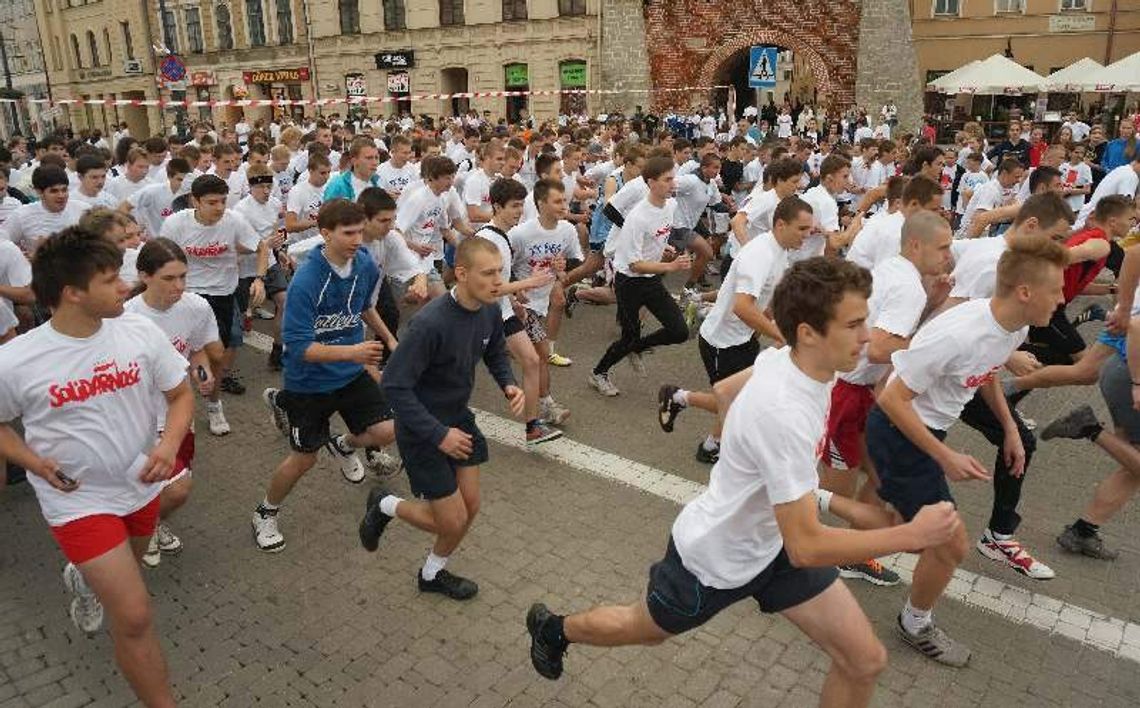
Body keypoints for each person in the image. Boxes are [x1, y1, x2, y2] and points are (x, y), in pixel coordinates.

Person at [525, 256, 962, 707]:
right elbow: (807, 547)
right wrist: (910, 534)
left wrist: (762, 472)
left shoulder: (787, 360)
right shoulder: (784, 410)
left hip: (774, 548)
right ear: (809, 332)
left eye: (865, 320)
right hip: (714, 562)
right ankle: (556, 628)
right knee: (645, 629)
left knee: (864, 660)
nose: (868, 335)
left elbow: (726, 392)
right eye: (853, 324)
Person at [0, 227, 193, 706]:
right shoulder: (15, 360)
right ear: (73, 293)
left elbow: (181, 394)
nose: (125, 286)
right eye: (110, 280)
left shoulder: (139, 331)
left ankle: (83, 577)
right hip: (78, 499)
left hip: (141, 487)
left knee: (130, 563)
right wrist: (35, 464)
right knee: (133, 616)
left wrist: (168, 446)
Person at [869, 233, 1068, 666]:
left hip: (926, 433)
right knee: (950, 543)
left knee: (902, 522)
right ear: (1025, 291)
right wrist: (945, 457)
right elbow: (889, 398)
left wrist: (1010, 428)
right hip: (897, 432)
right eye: (1056, 289)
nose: (1063, 297)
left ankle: (817, 524)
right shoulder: (959, 333)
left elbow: (988, 370)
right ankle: (915, 622)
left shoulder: (1012, 328)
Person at [359, 236, 526, 599]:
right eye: (488, 273)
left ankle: (432, 574)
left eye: (500, 271)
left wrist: (508, 385)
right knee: (452, 520)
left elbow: (496, 351)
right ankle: (385, 505)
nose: (498, 281)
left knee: (470, 508)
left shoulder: (490, 308)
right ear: (462, 274)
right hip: (422, 430)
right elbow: (394, 387)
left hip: (458, 419)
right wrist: (438, 435)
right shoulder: (429, 324)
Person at [253, 199, 399, 553]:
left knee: (388, 430)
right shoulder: (307, 280)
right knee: (304, 458)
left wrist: (393, 341)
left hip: (350, 373)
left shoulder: (363, 263)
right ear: (325, 234)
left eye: (360, 232)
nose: (356, 239)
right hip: (310, 383)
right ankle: (265, 512)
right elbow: (298, 346)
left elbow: (363, 307)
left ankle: (344, 444)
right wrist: (355, 353)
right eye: (348, 233)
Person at [822, 211, 954, 587]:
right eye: (942, 247)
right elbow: (880, 348)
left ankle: (855, 553)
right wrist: (935, 350)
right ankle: (788, 535)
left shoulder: (896, 271)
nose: (948, 255)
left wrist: (931, 305)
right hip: (847, 391)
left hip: (864, 391)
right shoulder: (908, 286)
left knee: (881, 478)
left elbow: (885, 331)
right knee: (835, 487)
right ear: (915, 244)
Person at [681, 196, 812, 464]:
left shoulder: (780, 252)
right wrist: (782, 336)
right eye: (802, 229)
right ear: (780, 225)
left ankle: (709, 441)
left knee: (743, 399)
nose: (807, 235)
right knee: (737, 401)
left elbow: (767, 300)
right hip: (721, 342)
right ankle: (686, 407)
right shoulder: (759, 254)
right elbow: (742, 307)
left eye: (810, 229)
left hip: (743, 337)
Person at [124, 239, 220, 568]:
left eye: (183, 277)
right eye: (169, 278)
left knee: (168, 486)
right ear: (144, 276)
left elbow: (195, 350)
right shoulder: (125, 318)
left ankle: (149, 522)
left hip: (179, 413)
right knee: (178, 488)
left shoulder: (195, 307)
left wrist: (203, 371)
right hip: (140, 420)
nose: (179, 287)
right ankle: (143, 528)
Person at [159, 175, 269, 434]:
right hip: (187, 296)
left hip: (223, 295)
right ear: (194, 201)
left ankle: (214, 404)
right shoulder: (176, 224)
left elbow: (261, 247)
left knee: (217, 358)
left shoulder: (234, 220)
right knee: (179, 357)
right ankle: (180, 410)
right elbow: (161, 256)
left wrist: (260, 280)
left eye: (223, 201)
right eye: (212, 202)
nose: (220, 207)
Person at [589, 156, 691, 396]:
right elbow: (635, 264)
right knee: (629, 336)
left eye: (673, 178)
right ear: (651, 182)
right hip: (630, 282)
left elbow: (656, 234)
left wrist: (661, 246)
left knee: (679, 331)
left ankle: (637, 347)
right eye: (667, 180)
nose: (673, 184)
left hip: (650, 279)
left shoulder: (670, 206)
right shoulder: (638, 216)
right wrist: (671, 266)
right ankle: (598, 373)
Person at [476, 178, 561, 444]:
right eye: (513, 206)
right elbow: (489, 289)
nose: (519, 211)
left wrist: (515, 300)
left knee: (533, 360)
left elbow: (501, 282)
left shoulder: (503, 238)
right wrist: (528, 283)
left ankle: (533, 427)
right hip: (478, 316)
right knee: (453, 370)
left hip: (502, 312)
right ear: (496, 206)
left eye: (521, 205)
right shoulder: (488, 240)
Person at [509, 178, 579, 427]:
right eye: (558, 201)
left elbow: (572, 264)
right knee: (540, 353)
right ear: (541, 204)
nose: (563, 205)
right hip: (520, 303)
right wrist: (515, 293)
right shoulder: (520, 233)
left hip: (540, 304)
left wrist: (561, 275)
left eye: (565, 200)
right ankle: (546, 406)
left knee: (535, 355)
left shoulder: (568, 230)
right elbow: (502, 267)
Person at [0, 165, 87, 255]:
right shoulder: (22, 214)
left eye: (64, 190)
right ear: (39, 192)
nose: (61, 195)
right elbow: (2, 243)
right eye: (54, 191)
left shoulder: (83, 210)